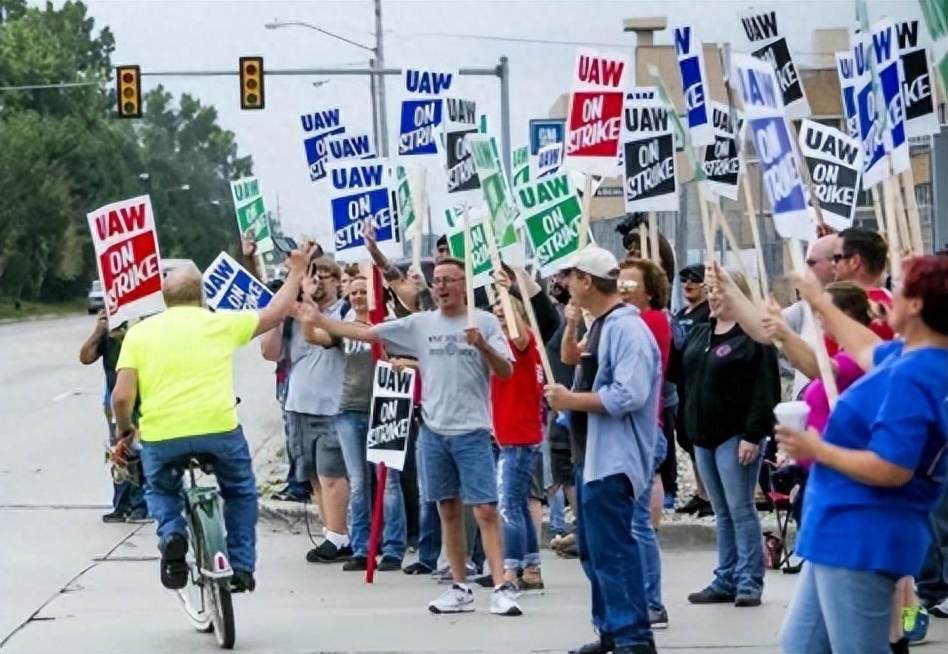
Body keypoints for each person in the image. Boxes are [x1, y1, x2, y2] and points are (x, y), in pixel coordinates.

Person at [306, 257, 523, 617]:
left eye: (448, 280)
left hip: (472, 430)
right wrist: (315, 319)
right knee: (447, 509)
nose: (440, 287)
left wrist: (482, 345)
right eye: (436, 280)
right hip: (434, 431)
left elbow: (506, 371)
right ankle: (459, 586)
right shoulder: (421, 323)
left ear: (462, 285)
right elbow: (368, 333)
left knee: (485, 509)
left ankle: (501, 586)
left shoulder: (482, 321)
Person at [110, 245, 313, 593]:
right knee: (240, 492)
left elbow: (122, 396)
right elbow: (276, 312)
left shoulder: (139, 334)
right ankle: (243, 566)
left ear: (164, 299)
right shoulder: (220, 322)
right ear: (201, 296)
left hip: (163, 434)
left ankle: (173, 533)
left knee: (160, 487)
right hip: (219, 429)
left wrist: (126, 429)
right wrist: (296, 271)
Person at [776, 253, 948, 654]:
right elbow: (867, 347)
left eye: (899, 288)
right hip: (844, 528)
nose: (888, 298)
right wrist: (819, 302)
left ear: (917, 304)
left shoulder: (914, 373)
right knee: (800, 645)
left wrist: (816, 448)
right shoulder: (917, 358)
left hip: (860, 532)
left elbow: (892, 467)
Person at [547, 246, 661, 654]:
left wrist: (569, 401)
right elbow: (576, 361)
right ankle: (611, 631)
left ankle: (633, 636)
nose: (566, 284)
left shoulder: (627, 329)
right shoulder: (603, 325)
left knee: (613, 551)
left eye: (571, 276)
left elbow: (628, 394)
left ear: (587, 281)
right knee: (595, 553)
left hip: (614, 458)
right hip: (591, 456)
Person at [669, 270, 780, 608]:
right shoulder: (701, 333)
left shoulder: (753, 338)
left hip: (736, 435)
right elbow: (680, 377)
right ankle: (726, 576)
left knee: (741, 508)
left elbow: (766, 390)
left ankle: (749, 579)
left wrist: (753, 434)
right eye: (712, 292)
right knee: (722, 510)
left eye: (720, 292)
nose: (714, 297)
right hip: (703, 435)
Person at [260, 256, 351, 564]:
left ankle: (340, 536)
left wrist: (309, 303)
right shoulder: (295, 317)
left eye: (326, 276)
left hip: (333, 407)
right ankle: (331, 534)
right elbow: (270, 353)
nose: (319, 281)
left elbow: (325, 339)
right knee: (313, 475)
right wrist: (279, 315)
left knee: (332, 475)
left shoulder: (342, 314)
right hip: (298, 406)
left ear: (338, 282)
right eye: (313, 276)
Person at [314, 274, 406, 572]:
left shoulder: (390, 323)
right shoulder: (346, 326)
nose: (357, 297)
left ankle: (393, 547)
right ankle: (362, 547)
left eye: (362, 291)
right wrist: (305, 305)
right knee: (358, 483)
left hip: (387, 408)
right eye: (352, 292)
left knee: (389, 482)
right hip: (349, 410)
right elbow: (312, 336)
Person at [618, 258, 671, 630]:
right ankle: (640, 598)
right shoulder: (627, 322)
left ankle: (652, 601)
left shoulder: (649, 321)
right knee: (630, 522)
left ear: (648, 291)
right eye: (618, 283)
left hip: (645, 431)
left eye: (629, 285)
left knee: (638, 523)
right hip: (635, 432)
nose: (621, 290)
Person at [489, 293, 545, 592]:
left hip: (519, 434)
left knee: (508, 505)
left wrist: (511, 310)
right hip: (509, 431)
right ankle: (532, 565)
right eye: (495, 311)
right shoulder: (500, 344)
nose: (498, 316)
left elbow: (520, 338)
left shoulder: (522, 340)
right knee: (519, 504)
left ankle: (510, 570)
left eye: (505, 312)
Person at [79, 310, 150, 524]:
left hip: (143, 400)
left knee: (137, 452)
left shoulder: (146, 325)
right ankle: (121, 505)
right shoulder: (110, 330)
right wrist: (100, 329)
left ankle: (140, 506)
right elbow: (86, 356)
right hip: (114, 401)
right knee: (119, 453)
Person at [670, 263, 713, 517]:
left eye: (695, 279)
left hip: (699, 381)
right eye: (684, 279)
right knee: (686, 437)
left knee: (699, 437)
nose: (688, 284)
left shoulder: (708, 313)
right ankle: (701, 492)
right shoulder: (681, 312)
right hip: (682, 382)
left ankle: (710, 493)